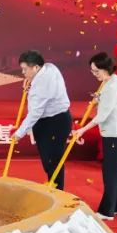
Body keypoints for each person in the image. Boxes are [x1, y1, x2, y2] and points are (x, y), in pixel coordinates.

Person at [72, 52, 117, 220]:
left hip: (115, 133)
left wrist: (82, 130)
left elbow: (102, 116)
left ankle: (107, 211)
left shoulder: (112, 86)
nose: (94, 74)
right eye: (92, 71)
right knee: (115, 170)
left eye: (96, 71)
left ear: (106, 69)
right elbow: (108, 104)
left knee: (110, 172)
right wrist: (98, 99)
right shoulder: (111, 81)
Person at [11, 50, 72, 189]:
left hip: (55, 122)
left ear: (36, 67)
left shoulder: (42, 84)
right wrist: (31, 82)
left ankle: (57, 193)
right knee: (48, 161)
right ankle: (53, 188)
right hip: (50, 120)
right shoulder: (49, 67)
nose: (23, 73)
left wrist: (19, 133)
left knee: (53, 162)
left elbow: (35, 112)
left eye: (25, 69)